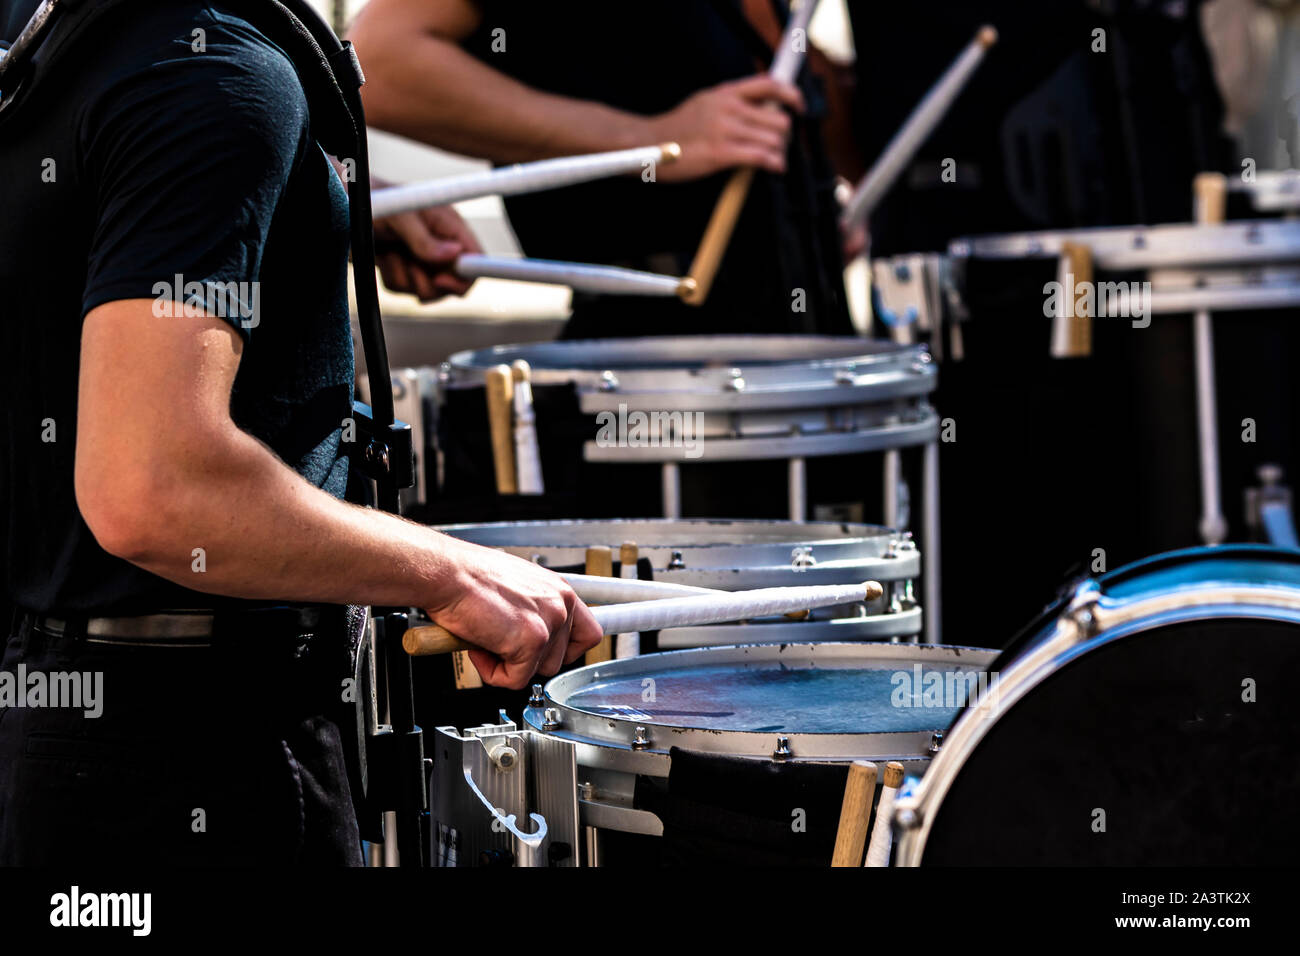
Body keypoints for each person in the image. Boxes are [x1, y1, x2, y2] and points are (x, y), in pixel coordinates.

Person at [0, 0, 601, 866]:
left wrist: (305, 199)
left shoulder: (54, 35)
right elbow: (155, 489)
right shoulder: (213, 74)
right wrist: (450, 573)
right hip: (198, 760)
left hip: (63, 732)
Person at [348, 0, 860, 339]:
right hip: (655, 381)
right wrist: (647, 142)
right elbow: (381, 62)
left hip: (817, 345)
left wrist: (807, 212)